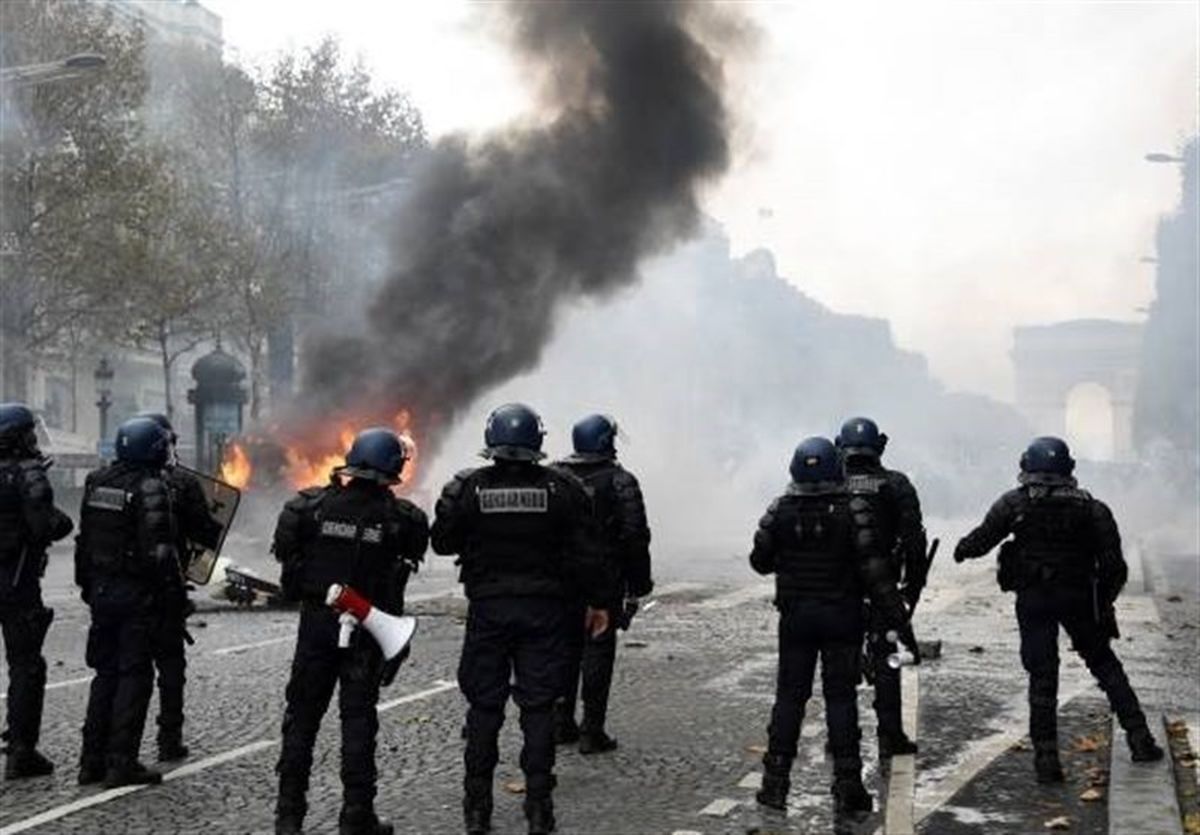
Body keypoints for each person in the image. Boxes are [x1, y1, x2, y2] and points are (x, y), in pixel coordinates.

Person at [431, 403, 613, 835]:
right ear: (538, 441)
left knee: (484, 709)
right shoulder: (562, 488)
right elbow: (588, 554)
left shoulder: (467, 487)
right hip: (544, 613)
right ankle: (538, 808)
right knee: (537, 708)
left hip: (489, 612)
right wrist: (600, 602)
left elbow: (441, 542)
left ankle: (476, 810)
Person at [954, 436, 1164, 783]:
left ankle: (1047, 760)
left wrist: (961, 549)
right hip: (1079, 597)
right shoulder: (1092, 508)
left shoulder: (1014, 503)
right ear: (1069, 468)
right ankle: (1140, 739)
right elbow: (1115, 567)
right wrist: (1103, 602)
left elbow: (980, 541)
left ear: (1027, 466)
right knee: (1105, 665)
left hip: (1034, 599)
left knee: (1042, 678)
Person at [271, 428, 428, 835]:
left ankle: (288, 818)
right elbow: (402, 574)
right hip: (367, 629)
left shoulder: (308, 508)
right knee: (358, 721)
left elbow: (289, 571)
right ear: (394, 468)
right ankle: (357, 816)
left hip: (317, 628)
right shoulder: (404, 520)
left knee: (301, 720)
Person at [750, 436, 912, 819]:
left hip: (795, 619)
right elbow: (874, 571)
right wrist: (899, 620)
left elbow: (760, 561)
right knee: (841, 699)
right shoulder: (852, 509)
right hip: (842, 617)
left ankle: (774, 785)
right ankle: (848, 788)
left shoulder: (780, 509)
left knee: (789, 698)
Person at [76, 416, 183, 788]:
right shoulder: (151, 487)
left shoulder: (96, 482)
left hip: (102, 593)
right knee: (134, 677)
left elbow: (82, 544)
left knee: (104, 675)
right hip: (137, 598)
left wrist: (89, 588)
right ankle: (122, 762)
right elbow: (161, 555)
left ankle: (91, 761)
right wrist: (174, 599)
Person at [553, 413, 653, 754]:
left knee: (564, 649)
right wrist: (639, 585)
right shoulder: (621, 481)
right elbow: (635, 536)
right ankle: (592, 731)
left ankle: (560, 723)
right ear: (605, 442)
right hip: (603, 582)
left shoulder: (555, 477)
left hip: (561, 581)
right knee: (597, 650)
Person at [835, 416, 928, 757]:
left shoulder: (829, 484)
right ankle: (890, 735)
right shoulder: (897, 484)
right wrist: (913, 585)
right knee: (888, 658)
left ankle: (840, 735)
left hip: (839, 586)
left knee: (840, 660)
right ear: (881, 445)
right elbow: (914, 540)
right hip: (884, 585)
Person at [138, 412, 222, 762]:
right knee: (170, 667)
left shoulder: (107, 480)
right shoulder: (182, 483)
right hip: (166, 587)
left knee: (124, 669)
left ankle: (100, 753)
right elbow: (206, 532)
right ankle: (169, 739)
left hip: (123, 589)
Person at [0, 403, 73, 779]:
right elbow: (45, 526)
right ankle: (22, 752)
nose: (34, 438)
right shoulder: (28, 473)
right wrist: (63, 520)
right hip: (17, 584)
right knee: (27, 666)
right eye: (30, 432)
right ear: (18, 437)